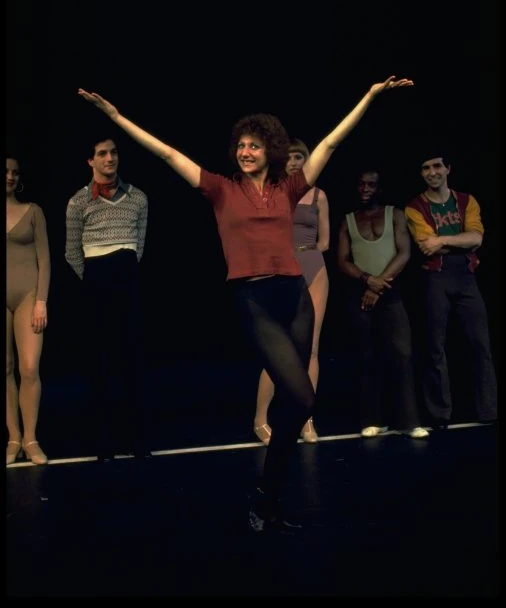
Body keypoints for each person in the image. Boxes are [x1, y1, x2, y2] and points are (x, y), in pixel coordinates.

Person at [77, 74, 413, 533]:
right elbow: (168, 154)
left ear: (269, 149)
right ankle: (266, 494)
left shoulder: (289, 188)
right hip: (254, 299)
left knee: (299, 403)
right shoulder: (221, 189)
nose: (245, 152)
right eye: (240, 146)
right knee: (300, 395)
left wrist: (369, 97)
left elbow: (331, 143)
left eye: (254, 146)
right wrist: (117, 117)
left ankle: (268, 496)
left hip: (294, 295)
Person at [65, 136, 150, 460]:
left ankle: (136, 438)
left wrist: (122, 274)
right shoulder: (78, 202)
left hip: (127, 280)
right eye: (102, 153)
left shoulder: (138, 198)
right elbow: (72, 252)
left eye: (113, 152)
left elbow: (138, 246)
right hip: (97, 283)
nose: (109, 158)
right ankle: (104, 440)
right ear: (91, 160)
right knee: (100, 363)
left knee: (133, 361)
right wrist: (94, 282)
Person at [404, 150, 497, 428]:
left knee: (480, 344)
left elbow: (476, 238)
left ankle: (488, 411)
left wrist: (443, 240)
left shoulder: (467, 201)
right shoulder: (414, 207)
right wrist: (459, 240)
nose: (431, 172)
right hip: (436, 277)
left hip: (466, 276)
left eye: (436, 166)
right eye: (425, 168)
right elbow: (426, 245)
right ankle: (439, 415)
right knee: (434, 347)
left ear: (448, 169)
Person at [337, 168, 428, 439]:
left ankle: (409, 421)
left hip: (390, 291)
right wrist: (368, 280)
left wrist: (379, 285)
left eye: (371, 185)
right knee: (367, 355)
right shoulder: (348, 220)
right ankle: (372, 419)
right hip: (360, 293)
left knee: (402, 354)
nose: (365, 189)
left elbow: (404, 253)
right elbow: (342, 260)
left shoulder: (394, 214)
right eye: (361, 184)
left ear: (380, 189)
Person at [253, 138, 329, 445]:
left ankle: (306, 420)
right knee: (279, 350)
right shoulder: (272, 192)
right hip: (283, 271)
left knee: (311, 349)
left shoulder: (319, 195)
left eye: (300, 157)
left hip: (314, 268)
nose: (295, 162)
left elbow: (325, 241)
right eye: (290, 157)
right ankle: (260, 420)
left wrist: (306, 251)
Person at [6, 156, 51, 465]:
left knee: (29, 367)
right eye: (5, 171)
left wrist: (41, 301)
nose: (10, 176)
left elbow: (44, 259)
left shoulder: (33, 211)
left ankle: (31, 438)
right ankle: (13, 438)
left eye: (15, 172)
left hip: (28, 295)